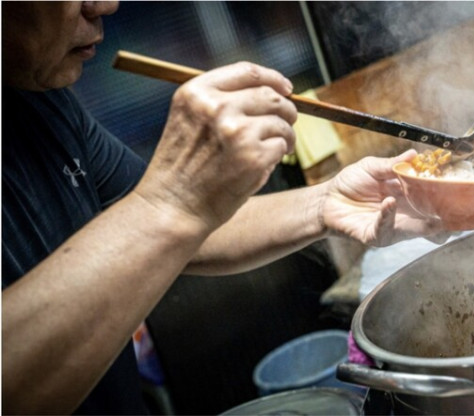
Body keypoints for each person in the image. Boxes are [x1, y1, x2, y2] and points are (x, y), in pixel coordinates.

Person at [1, 2, 444, 414]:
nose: (104, 5)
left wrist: (328, 203)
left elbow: (187, 232)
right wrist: (171, 201)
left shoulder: (39, 98)